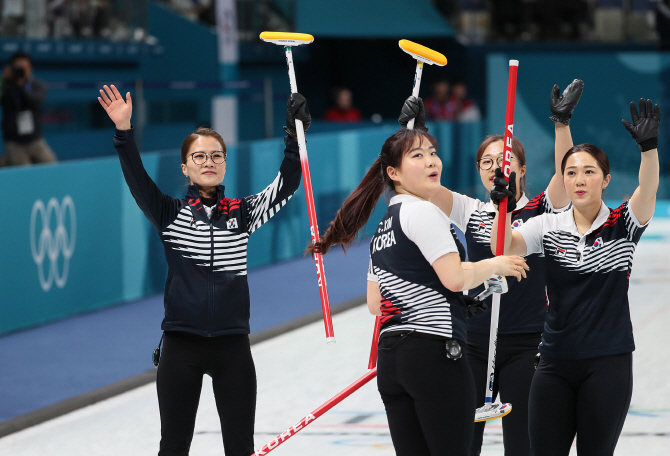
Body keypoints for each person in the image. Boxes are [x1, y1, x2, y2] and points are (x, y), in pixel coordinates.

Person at [97, 84, 309, 456]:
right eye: (199, 157)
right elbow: (137, 179)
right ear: (185, 167)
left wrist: (295, 134)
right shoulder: (169, 214)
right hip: (181, 347)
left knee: (240, 447)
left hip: (233, 348)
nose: (208, 162)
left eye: (216, 155)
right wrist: (124, 133)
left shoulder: (242, 214)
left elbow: (286, 185)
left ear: (225, 162)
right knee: (174, 447)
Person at [306, 116, 529, 455]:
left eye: (433, 153)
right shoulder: (423, 213)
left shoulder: (384, 226)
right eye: (417, 156)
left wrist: (451, 300)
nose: (431, 161)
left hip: (393, 361)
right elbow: (454, 277)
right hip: (433, 356)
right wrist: (494, 265)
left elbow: (376, 302)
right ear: (393, 173)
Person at [400, 78, 583, 456]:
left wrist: (561, 124)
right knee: (461, 443)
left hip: (528, 342)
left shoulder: (542, 208)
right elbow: (421, 184)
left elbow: (565, 175)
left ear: (520, 168)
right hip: (472, 342)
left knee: (524, 443)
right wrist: (417, 136)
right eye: (486, 161)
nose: (493, 167)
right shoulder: (470, 209)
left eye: (503, 161)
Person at [491, 97, 660, 456]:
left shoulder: (623, 225)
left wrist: (648, 150)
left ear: (606, 179)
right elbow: (503, 246)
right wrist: (502, 207)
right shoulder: (548, 226)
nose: (579, 179)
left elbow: (647, 190)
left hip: (608, 364)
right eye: (571, 172)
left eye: (589, 172)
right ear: (562, 180)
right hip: (553, 363)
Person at [1, 51, 57, 166]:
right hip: (14, 142)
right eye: (18, 67)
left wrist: (21, 85)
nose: (21, 70)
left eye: (24, 67)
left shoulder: (37, 85)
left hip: (35, 140)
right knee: (24, 172)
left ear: (30, 68)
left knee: (52, 166)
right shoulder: (6, 86)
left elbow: (34, 101)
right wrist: (3, 79)